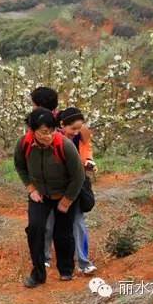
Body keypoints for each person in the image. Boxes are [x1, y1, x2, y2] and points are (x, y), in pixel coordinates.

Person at [14, 108, 85, 288]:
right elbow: (20, 167)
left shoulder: (64, 145)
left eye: (52, 130)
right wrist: (31, 189)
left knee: (63, 233)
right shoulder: (24, 144)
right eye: (44, 132)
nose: (49, 135)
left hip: (64, 193)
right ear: (33, 131)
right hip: (40, 195)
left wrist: (67, 200)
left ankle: (66, 270)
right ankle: (38, 274)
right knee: (35, 230)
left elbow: (79, 176)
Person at [44, 107, 97, 274]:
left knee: (78, 223)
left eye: (79, 128)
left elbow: (87, 152)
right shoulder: (51, 139)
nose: (76, 132)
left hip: (75, 186)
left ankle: (84, 262)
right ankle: (44, 257)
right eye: (73, 128)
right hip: (54, 187)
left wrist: (89, 162)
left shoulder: (82, 136)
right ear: (62, 125)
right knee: (49, 223)